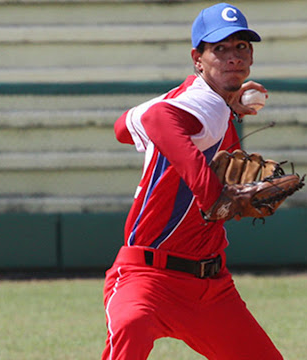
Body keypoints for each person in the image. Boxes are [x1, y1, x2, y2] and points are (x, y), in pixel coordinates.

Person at [101, 3, 283, 360]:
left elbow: (123, 127)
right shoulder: (206, 105)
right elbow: (156, 118)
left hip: (210, 288)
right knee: (131, 324)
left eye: (242, 46)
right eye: (220, 49)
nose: (233, 57)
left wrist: (225, 100)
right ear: (197, 59)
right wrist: (212, 194)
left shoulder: (205, 101)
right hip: (148, 277)